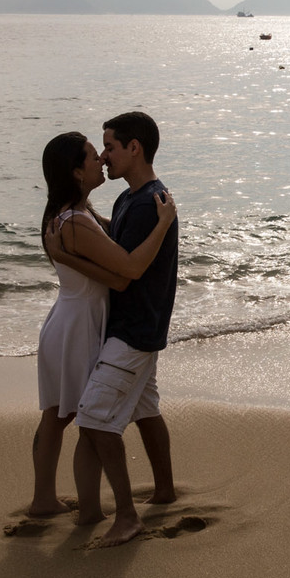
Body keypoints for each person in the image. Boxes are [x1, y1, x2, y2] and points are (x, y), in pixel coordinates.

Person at [46, 111, 180, 548]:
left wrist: (66, 253)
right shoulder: (131, 200)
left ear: (134, 147)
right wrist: (80, 216)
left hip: (132, 330)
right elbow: (116, 239)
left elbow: (129, 270)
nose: (104, 156)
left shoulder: (148, 205)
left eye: (110, 146)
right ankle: (163, 491)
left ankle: (127, 517)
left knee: (96, 421)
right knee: (145, 409)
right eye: (99, 149)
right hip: (139, 326)